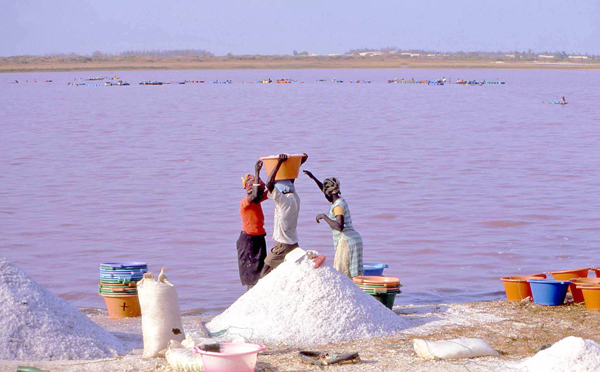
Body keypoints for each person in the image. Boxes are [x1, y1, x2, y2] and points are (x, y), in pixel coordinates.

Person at [304, 171, 363, 278]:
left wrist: (324, 216)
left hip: (346, 241)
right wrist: (313, 178)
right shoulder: (340, 200)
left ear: (329, 193)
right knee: (354, 275)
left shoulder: (337, 207)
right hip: (354, 240)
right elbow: (325, 190)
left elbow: (339, 226)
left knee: (343, 274)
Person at [261, 153, 308, 276]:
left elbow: (269, 184)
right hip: (293, 242)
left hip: (283, 244)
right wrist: (299, 163)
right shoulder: (295, 198)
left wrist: (278, 164)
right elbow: (291, 180)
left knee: (264, 273)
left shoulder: (284, 202)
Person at [236, 160, 268, 289]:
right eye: (259, 190)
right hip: (248, 241)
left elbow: (272, 188)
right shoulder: (246, 202)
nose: (261, 193)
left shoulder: (257, 200)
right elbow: (255, 195)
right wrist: (257, 172)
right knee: (252, 278)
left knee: (261, 274)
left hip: (259, 239)